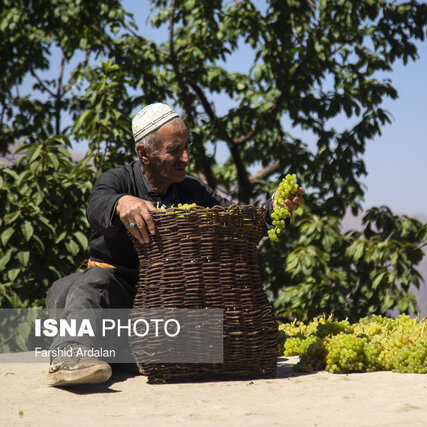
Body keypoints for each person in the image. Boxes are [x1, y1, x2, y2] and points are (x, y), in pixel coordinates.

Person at [45, 103, 304, 387]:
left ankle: (136, 355)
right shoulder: (118, 180)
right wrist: (121, 202)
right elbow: (96, 205)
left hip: (169, 300)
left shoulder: (192, 189)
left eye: (187, 147)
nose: (186, 157)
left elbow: (234, 218)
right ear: (144, 153)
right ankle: (71, 356)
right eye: (174, 150)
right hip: (124, 291)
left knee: (74, 292)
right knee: (76, 286)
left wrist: (273, 210)